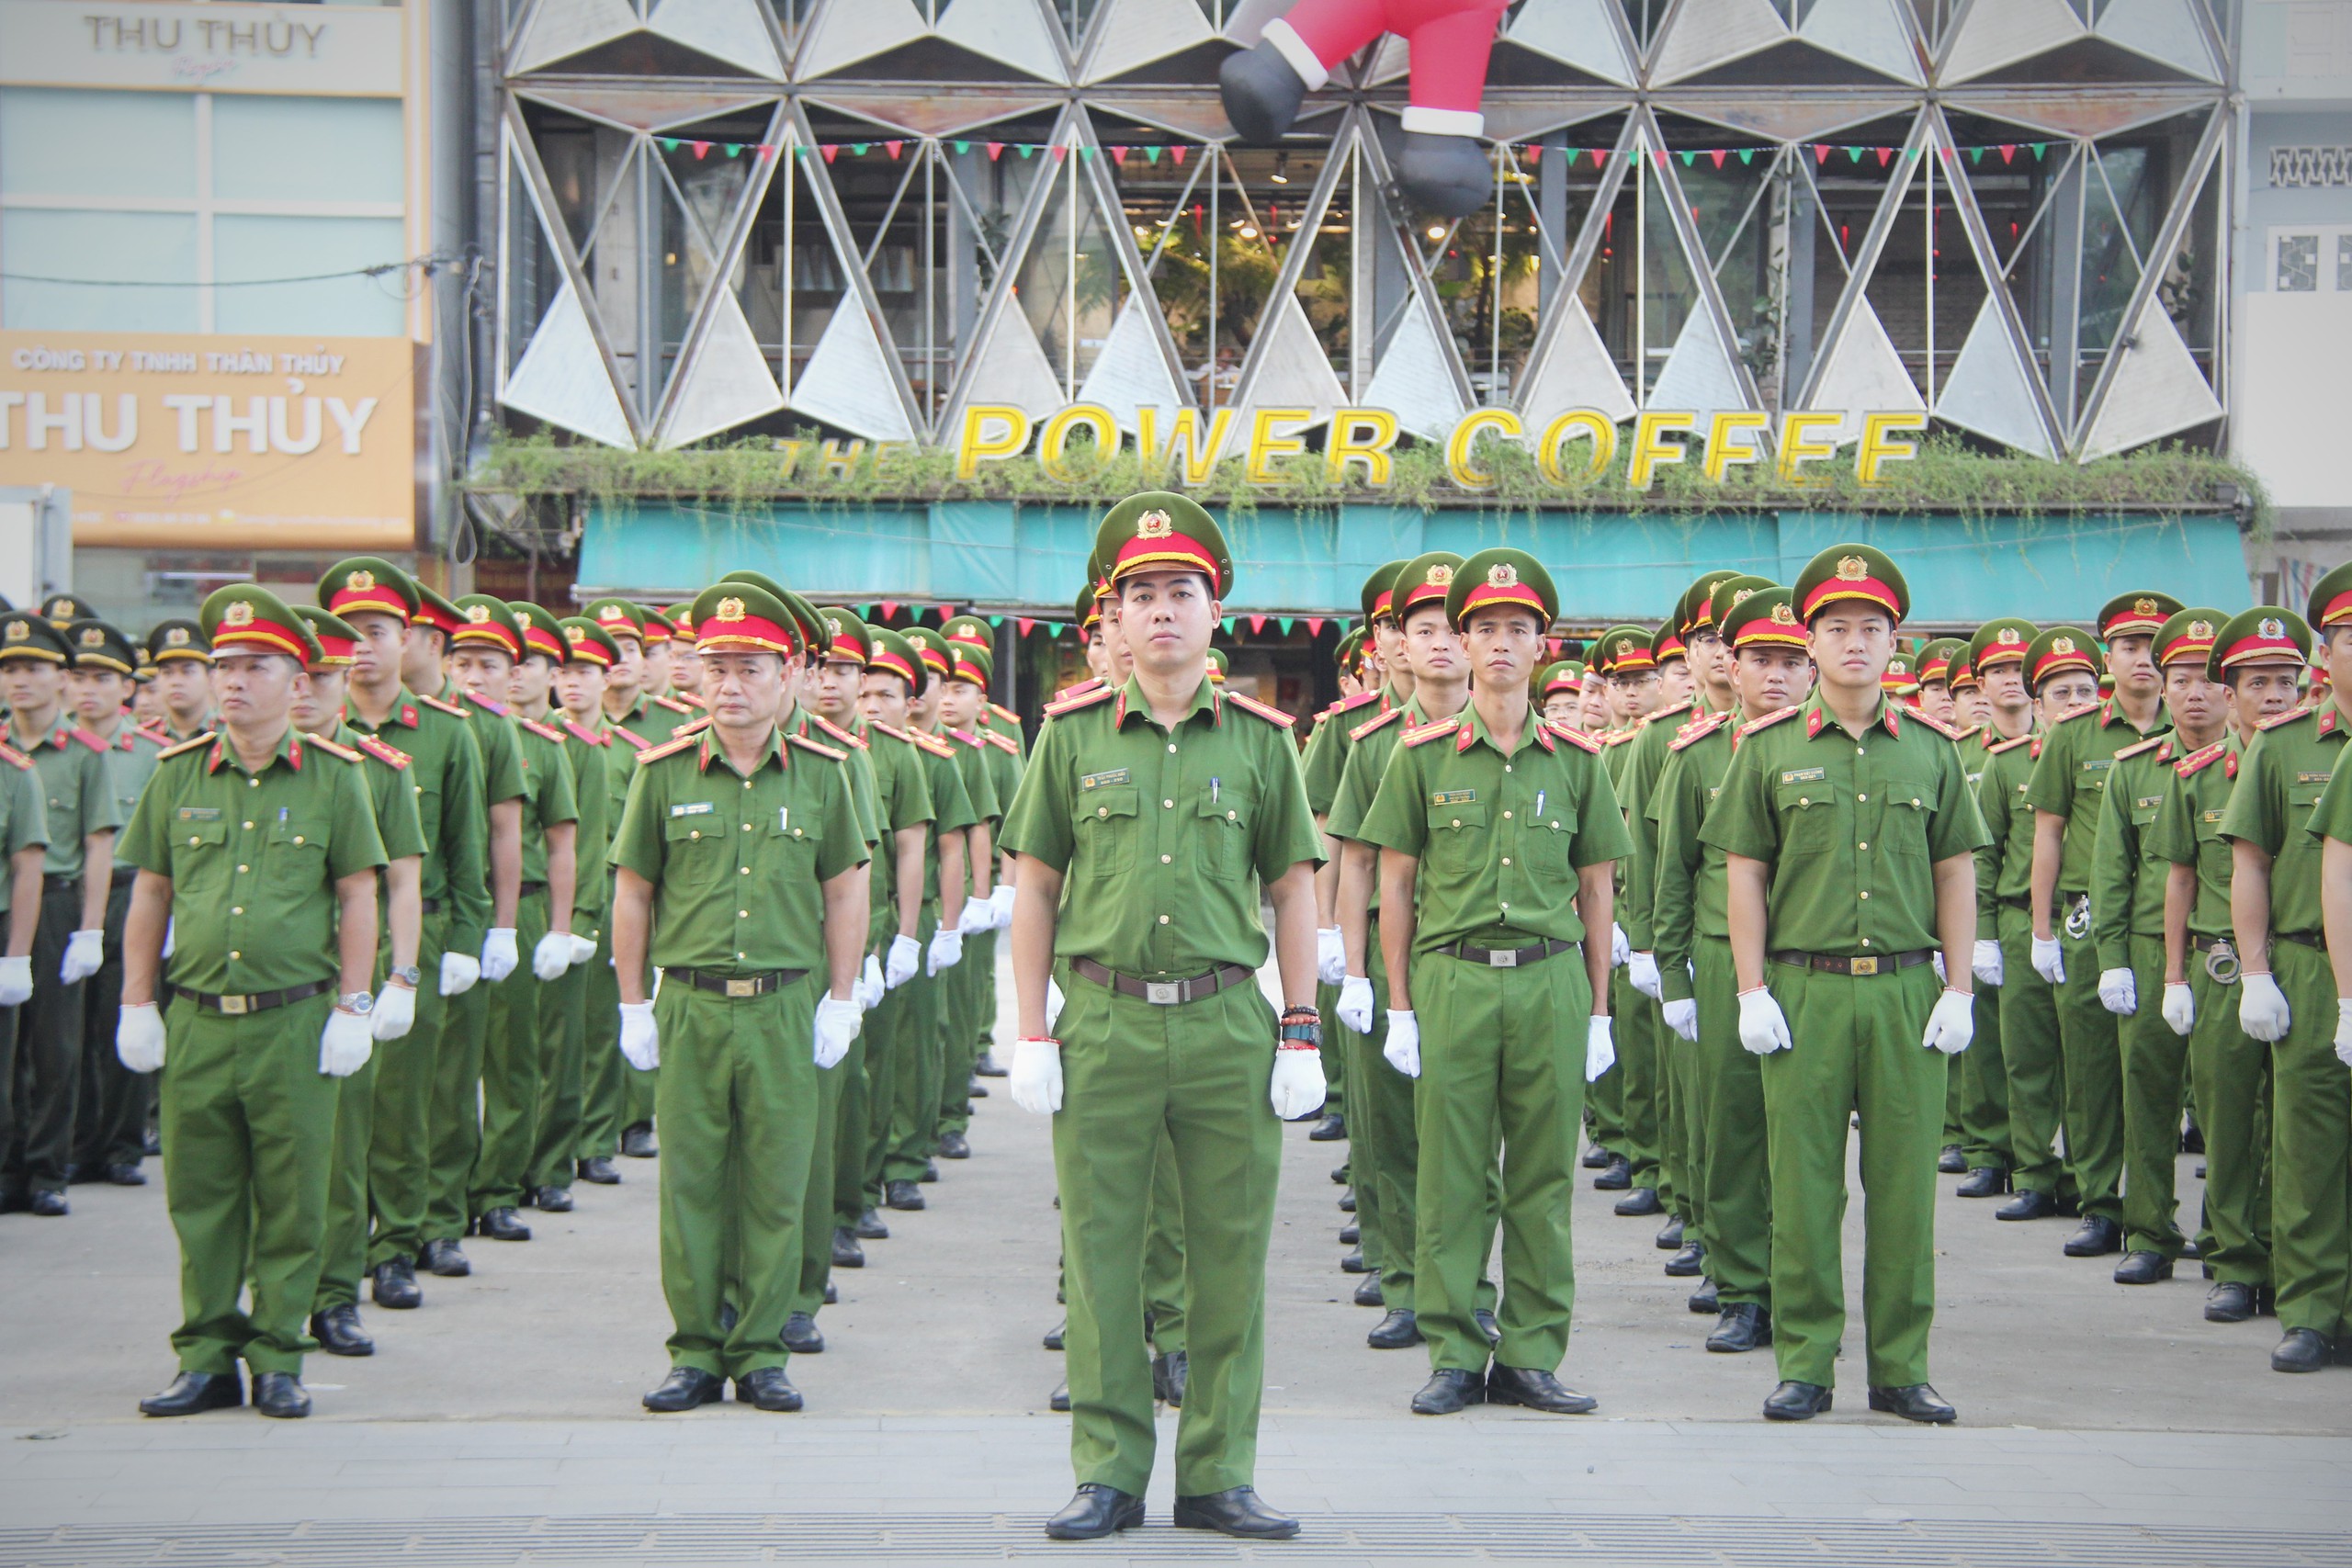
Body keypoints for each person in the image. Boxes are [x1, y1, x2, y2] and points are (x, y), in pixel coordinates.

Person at [1001, 492, 1323, 1542]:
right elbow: (1036, 884)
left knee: (1229, 1257)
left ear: (1211, 610)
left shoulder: (1265, 743)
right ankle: (1107, 1472)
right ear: (1116, 617)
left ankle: (1219, 1473)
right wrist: (1032, 1030)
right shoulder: (1070, 736)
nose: (1162, 611)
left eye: (1180, 591)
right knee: (1101, 1259)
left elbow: (1292, 889)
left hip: (1229, 1022)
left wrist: (1302, 1025)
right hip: (1106, 1021)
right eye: (1141, 594)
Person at [1702, 544, 1986, 1424]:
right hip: (1807, 988)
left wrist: (1961, 985)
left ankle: (1901, 1367)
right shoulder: (1768, 748)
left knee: (1904, 1187)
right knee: (1804, 1183)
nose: (1854, 643)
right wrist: (1751, 988)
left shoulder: (1933, 753)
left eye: (1872, 628)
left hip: (1906, 988)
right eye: (1836, 628)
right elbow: (1744, 872)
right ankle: (1805, 1364)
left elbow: (1955, 874)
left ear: (1896, 644)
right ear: (1811, 642)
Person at [1358, 547, 1624, 1418]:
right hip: (1454, 981)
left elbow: (1595, 892)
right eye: (1484, 629)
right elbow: (1395, 886)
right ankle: (1454, 1347)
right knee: (1450, 1173)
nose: (1501, 643)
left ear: (1543, 646)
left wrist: (1598, 1011)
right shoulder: (1421, 756)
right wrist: (1397, 1002)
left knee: (1544, 1175)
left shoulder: (1580, 760)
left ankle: (1534, 1351)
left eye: (1519, 629)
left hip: (1548, 980)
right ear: (1463, 644)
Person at [116, 585, 389, 1418]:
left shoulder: (338, 780)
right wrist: (136, 1000)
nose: (232, 682)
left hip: (293, 1018)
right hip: (199, 1016)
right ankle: (206, 1353)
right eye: (223, 666)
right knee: (201, 1196)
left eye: (254, 666)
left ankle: (278, 1352)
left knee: (293, 1193)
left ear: (295, 678)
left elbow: (358, 894)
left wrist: (355, 1002)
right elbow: (152, 891)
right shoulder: (177, 775)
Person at [609, 578, 869, 1414]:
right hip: (689, 1001)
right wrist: (631, 1002)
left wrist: (841, 996)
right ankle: (694, 1349)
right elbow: (634, 894)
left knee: (775, 1179)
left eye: (750, 666)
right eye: (715, 665)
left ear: (787, 673)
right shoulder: (662, 770)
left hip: (783, 1004)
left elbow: (845, 892)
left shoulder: (830, 774)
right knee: (689, 1179)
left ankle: (760, 1348)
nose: (730, 683)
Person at [1329, 551, 1496, 1354]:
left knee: (1470, 1140)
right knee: (1390, 1130)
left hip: (1466, 953)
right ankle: (1403, 1282)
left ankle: (1468, 1288)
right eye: (1418, 628)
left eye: (1447, 629)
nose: (1436, 645)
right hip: (1386, 954)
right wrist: (1345, 959)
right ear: (1392, 640)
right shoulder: (1368, 743)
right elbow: (1347, 857)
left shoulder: (1501, 734)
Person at [321, 560, 492, 1298]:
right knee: (331, 1110)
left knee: (405, 1101)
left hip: (411, 938)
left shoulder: (447, 735)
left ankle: (400, 1238)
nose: (360, 647)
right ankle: (333, 1244)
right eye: (344, 634)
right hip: (318, 952)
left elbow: (466, 847)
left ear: (408, 640)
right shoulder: (317, 732)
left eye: (375, 631)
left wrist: (464, 944)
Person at [1651, 580, 1813, 1353]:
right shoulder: (1699, 753)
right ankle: (1743, 1288)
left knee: (1807, 1140)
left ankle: (1802, 1287)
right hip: (1720, 959)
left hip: (1809, 958)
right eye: (1760, 659)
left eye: (1791, 659)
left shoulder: (1829, 748)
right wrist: (1674, 976)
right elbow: (1675, 869)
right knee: (1734, 1129)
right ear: (1732, 667)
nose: (1775, 674)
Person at [2217, 576, 2352, 1374]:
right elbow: (2250, 863)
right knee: (2308, 1143)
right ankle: (2310, 1308)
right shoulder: (2284, 742)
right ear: (2326, 654)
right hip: (2305, 961)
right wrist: (2259, 971)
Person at [288, 604, 426, 1359]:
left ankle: (334, 1296)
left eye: (319, 678)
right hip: (256, 987)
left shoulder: (376, 769)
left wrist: (398, 977)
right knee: (263, 1158)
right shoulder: (211, 762)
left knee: (342, 1151)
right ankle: (265, 1297)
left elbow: (402, 881)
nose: (304, 694)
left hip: (342, 986)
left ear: (343, 681)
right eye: (295, 677)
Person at [2025, 592, 2180, 1260]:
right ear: (2107, 657)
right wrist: (2042, 928)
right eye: (2128, 647)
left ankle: (2156, 1212)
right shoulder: (2074, 733)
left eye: (2154, 648)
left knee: (2154, 1073)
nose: (2142, 659)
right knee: (2090, 1066)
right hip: (2091, 919)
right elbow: (2048, 834)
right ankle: (2099, 1202)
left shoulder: (2198, 723)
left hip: (2172, 920)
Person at [2093, 608, 2228, 1286]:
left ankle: (2232, 1236)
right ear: (2165, 689)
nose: (2194, 691)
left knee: (2236, 1105)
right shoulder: (2136, 770)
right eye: (2181, 679)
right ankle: (2148, 1228)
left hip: (2232, 952)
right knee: (2147, 1095)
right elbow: (2111, 872)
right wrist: (2111, 957)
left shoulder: (2250, 765)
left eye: (2207, 677)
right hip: (2150, 953)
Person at [1622, 574, 1750, 1261]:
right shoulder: (1665, 742)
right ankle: (1701, 1215)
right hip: (1704, 945)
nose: (1720, 653)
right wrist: (1649, 946)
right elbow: (1650, 854)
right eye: (1706, 639)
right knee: (1699, 1098)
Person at [0, 610, 120, 1216]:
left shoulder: (83, 753)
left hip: (54, 903)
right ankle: (6, 1164)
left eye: (35, 668)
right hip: (4, 901)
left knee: (54, 1046)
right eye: (11, 668)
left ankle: (47, 1167)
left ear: (61, 678)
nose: (21, 680)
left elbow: (99, 843)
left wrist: (91, 928)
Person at [854, 623, 972, 1237]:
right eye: (864, 692)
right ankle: (861, 1172)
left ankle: (902, 1156)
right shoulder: (838, 754)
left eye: (886, 695)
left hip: (911, 916)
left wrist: (945, 925)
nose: (872, 706)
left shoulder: (927, 760)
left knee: (912, 1042)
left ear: (912, 701)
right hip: (854, 921)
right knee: (862, 1052)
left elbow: (945, 846)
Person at [1983, 625, 2090, 1223]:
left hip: (2086, 920)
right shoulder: (2007, 766)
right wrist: (1983, 936)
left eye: (2082, 692)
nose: (2073, 705)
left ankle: (2085, 1175)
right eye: (2060, 695)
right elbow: (1984, 854)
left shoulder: (2112, 763)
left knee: (2085, 1060)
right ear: (2039, 705)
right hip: (2021, 921)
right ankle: (2034, 1172)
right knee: (2026, 1057)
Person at [63, 618, 167, 1187]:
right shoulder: (57, 748)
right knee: (66, 1032)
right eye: (79, 677)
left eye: (103, 679)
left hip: (133, 892)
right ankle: (79, 1143)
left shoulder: (151, 754)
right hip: (69, 894)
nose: (88, 690)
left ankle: (125, 1143)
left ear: (127, 688)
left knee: (123, 1013)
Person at [513, 604, 608, 1217]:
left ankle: (548, 1166)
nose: (518, 675)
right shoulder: (478, 736)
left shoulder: (573, 748)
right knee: (508, 1055)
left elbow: (588, 841)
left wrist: (576, 924)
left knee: (557, 1048)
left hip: (552, 906)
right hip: (498, 909)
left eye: (530, 663)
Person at [1952, 619, 2038, 1202]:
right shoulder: (1957, 753)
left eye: (2017, 670)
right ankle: (1986, 1148)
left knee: (2037, 1048)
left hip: (2043, 914)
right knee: (1984, 1042)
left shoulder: (2056, 747)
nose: (2009, 681)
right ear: (1979, 685)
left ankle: (2043, 1159)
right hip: (1982, 910)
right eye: (1997, 672)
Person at [580, 597, 664, 1158]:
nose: (618, 662)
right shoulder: (573, 727)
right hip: (587, 896)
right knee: (588, 1027)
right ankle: (590, 1133)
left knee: (639, 1007)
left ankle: (636, 1117)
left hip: (646, 892)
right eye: (606, 653)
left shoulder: (669, 724)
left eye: (629, 649)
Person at [143, 621, 214, 742]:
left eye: (187, 672)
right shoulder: (145, 739)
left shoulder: (232, 734)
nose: (176, 682)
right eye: (167, 673)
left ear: (210, 678)